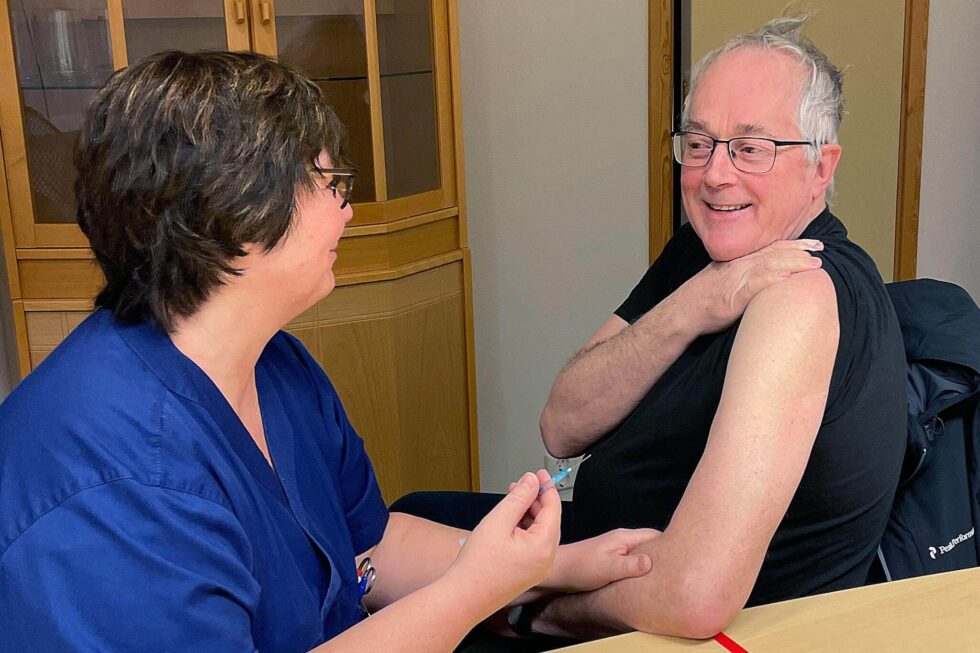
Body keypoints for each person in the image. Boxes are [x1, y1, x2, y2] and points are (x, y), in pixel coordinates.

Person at [0, 51, 658, 652]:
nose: (347, 210)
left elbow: (367, 548)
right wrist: (475, 588)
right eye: (328, 183)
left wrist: (558, 565)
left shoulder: (273, 363)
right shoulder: (118, 484)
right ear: (234, 213)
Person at [526, 15, 908, 640]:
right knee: (406, 521)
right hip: (591, 560)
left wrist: (533, 611)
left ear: (821, 167)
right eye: (699, 143)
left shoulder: (800, 294)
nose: (715, 175)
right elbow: (562, 424)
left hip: (673, 627)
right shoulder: (706, 251)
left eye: (752, 148)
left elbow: (694, 598)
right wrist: (693, 304)